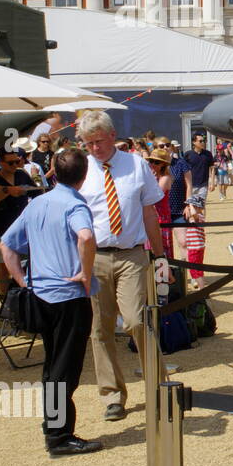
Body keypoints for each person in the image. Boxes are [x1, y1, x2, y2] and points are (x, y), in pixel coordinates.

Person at [0, 148, 103, 456]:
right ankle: (58, 435)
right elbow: (85, 237)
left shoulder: (37, 203)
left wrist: (23, 281)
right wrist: (85, 271)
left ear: (54, 173)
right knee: (64, 368)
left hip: (41, 293)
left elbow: (7, 246)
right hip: (68, 296)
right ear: (84, 175)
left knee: (53, 365)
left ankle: (53, 425)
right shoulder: (75, 205)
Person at [76, 110, 171, 422]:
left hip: (131, 254)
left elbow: (149, 213)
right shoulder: (81, 169)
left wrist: (160, 257)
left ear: (112, 135)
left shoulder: (136, 164)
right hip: (94, 256)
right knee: (100, 329)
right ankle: (113, 395)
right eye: (88, 143)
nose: (94, 148)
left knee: (135, 320)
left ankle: (158, 384)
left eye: (98, 141)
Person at [0, 147, 37, 293]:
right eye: (11, 163)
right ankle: (5, 302)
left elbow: (37, 193)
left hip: (22, 230)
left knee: (25, 265)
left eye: (17, 161)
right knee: (2, 267)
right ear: (1, 162)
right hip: (0, 230)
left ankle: (25, 298)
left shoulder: (22, 175)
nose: (15, 165)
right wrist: (2, 194)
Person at [146, 148, 175, 259]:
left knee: (162, 250)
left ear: (163, 164)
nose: (153, 164)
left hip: (161, 217)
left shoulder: (165, 178)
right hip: (150, 216)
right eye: (151, 161)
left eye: (156, 162)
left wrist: (150, 179)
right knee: (150, 250)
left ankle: (164, 275)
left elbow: (155, 196)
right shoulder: (152, 176)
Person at [183, 134, 214, 204]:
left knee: (200, 206)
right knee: (191, 205)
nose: (203, 143)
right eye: (200, 141)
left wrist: (212, 182)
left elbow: (212, 168)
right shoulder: (188, 154)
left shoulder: (208, 154)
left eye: (204, 141)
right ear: (194, 142)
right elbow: (184, 170)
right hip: (190, 185)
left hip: (203, 185)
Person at [183, 194, 207, 285]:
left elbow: (194, 214)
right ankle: (201, 286)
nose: (188, 208)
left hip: (195, 247)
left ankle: (202, 289)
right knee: (198, 268)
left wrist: (191, 204)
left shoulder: (198, 217)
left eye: (190, 206)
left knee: (194, 270)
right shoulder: (198, 217)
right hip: (197, 247)